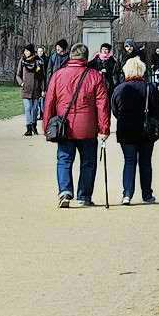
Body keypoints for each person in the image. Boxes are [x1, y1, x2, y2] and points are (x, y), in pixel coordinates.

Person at [41, 43, 109, 208]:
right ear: (86, 58)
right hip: (88, 127)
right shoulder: (95, 76)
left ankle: (65, 191)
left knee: (64, 159)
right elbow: (102, 105)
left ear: (70, 56)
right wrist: (104, 129)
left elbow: (49, 102)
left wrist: (46, 126)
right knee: (88, 162)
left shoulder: (58, 75)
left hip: (65, 126)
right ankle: (84, 196)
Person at [111, 56, 159, 205]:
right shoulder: (150, 88)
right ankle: (147, 194)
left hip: (126, 130)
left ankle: (127, 194)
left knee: (129, 162)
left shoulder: (120, 89)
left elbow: (115, 109)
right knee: (145, 162)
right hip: (146, 130)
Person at [15, 43, 45, 136]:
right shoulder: (22, 61)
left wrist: (43, 89)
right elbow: (17, 75)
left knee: (35, 109)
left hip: (36, 89)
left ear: (31, 51)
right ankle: (28, 128)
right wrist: (21, 83)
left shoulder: (38, 61)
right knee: (28, 108)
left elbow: (42, 77)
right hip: (26, 89)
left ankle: (34, 126)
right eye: (25, 50)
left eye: (27, 51)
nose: (25, 52)